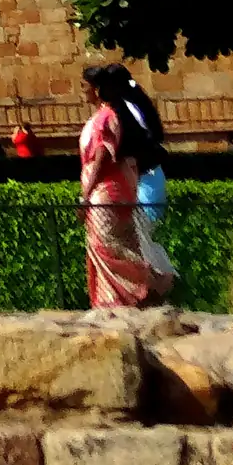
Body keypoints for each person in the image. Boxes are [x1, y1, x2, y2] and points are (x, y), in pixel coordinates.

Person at [78, 62, 166, 308]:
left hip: (109, 191)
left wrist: (85, 196)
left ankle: (149, 283)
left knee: (109, 246)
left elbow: (101, 157)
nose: (81, 91)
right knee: (107, 246)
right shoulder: (105, 115)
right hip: (109, 190)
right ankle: (113, 301)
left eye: (84, 86)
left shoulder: (109, 116)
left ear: (96, 89)